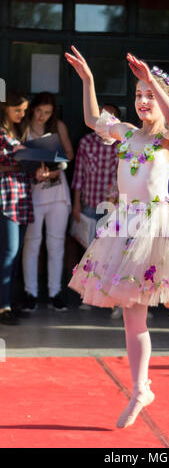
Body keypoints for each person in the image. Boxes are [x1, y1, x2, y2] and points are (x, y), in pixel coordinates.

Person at [65, 46, 169, 428]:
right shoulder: (128, 134)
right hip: (126, 229)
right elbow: (93, 118)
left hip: (162, 228)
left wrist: (154, 81)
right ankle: (139, 389)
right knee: (132, 317)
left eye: (149, 95)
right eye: (139, 94)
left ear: (164, 102)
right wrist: (89, 80)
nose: (143, 100)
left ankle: (167, 286)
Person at [21, 92, 74, 312]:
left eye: (48, 112)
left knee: (56, 243)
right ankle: (30, 292)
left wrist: (55, 166)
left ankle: (55, 292)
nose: (43, 116)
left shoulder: (58, 126)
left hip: (57, 192)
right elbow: (18, 157)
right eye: (40, 111)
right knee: (31, 243)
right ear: (33, 108)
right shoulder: (23, 127)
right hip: (33, 191)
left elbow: (69, 154)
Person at [0, 90, 48, 325]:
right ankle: (3, 306)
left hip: (20, 196)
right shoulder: (2, 133)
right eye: (17, 110)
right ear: (5, 108)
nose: (22, 114)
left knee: (14, 253)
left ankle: (8, 301)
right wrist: (23, 166)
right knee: (9, 252)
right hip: (5, 197)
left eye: (24, 110)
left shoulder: (17, 132)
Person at [71, 103, 124, 318]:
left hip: (112, 205)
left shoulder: (121, 144)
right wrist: (76, 203)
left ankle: (110, 297)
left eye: (111, 118)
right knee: (89, 252)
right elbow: (79, 175)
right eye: (102, 117)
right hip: (89, 202)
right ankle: (87, 294)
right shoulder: (86, 142)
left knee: (112, 253)